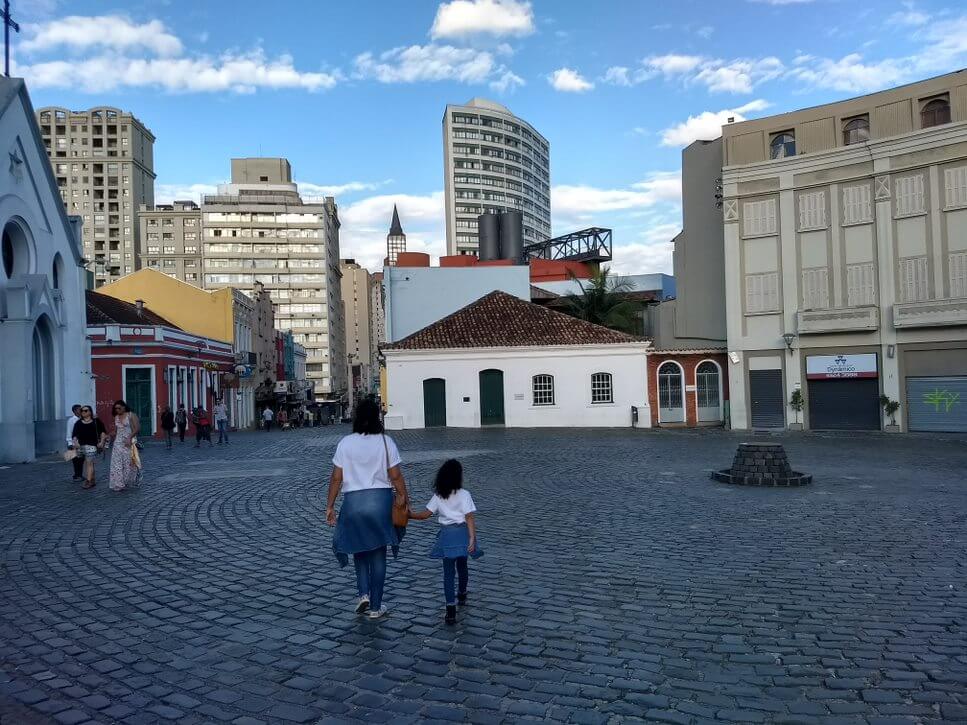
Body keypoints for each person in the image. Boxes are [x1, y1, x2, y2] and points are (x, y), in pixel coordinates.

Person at [326, 399, 410, 620]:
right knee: (378, 553)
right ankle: (376, 606)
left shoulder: (345, 443)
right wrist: (404, 496)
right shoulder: (386, 442)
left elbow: (336, 478)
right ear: (377, 417)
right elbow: (395, 475)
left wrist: (330, 506)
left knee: (360, 550)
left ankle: (363, 594)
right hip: (380, 501)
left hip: (353, 502)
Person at [409, 459, 481, 625]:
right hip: (462, 534)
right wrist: (472, 538)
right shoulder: (465, 494)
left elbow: (425, 515)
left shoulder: (439, 495)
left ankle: (450, 609)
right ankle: (462, 593)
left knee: (448, 573)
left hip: (447, 536)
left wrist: (409, 515)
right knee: (462, 566)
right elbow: (469, 517)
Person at [72, 405, 108, 489]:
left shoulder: (96, 421)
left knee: (89, 462)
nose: (83, 412)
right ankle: (92, 480)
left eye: (86, 410)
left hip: (92, 445)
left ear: (90, 412)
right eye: (82, 411)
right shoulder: (78, 423)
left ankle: (88, 481)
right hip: (82, 446)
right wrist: (75, 442)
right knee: (89, 463)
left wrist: (102, 442)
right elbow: (74, 435)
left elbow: (102, 432)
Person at [109, 400, 140, 492]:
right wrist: (109, 436)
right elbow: (116, 431)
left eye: (119, 408)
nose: (118, 410)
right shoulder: (116, 417)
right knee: (116, 464)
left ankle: (128, 481)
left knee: (128, 464)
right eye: (116, 409)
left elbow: (137, 428)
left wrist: (130, 437)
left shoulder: (131, 415)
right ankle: (118, 484)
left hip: (128, 443)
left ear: (124, 407)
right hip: (117, 443)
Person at [66, 403, 84, 481]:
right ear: (75, 411)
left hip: (81, 442)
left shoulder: (82, 419)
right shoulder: (71, 420)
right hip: (73, 443)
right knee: (75, 460)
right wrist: (70, 443)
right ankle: (76, 475)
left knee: (81, 459)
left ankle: (80, 475)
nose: (81, 411)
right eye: (79, 409)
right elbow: (69, 432)